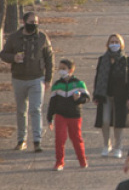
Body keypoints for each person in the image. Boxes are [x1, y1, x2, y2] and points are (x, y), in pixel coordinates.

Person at [0, 10, 53, 152]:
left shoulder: (42, 37)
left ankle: (37, 141)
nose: (34, 25)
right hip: (19, 78)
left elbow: (49, 58)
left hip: (37, 78)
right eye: (31, 22)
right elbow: (4, 54)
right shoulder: (14, 37)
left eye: (36, 23)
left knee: (35, 109)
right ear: (23, 22)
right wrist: (13, 58)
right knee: (21, 110)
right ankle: (21, 140)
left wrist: (48, 78)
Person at [93, 33, 129, 158]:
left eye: (116, 42)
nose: (114, 44)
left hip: (120, 96)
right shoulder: (103, 59)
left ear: (121, 44)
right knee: (105, 120)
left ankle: (118, 147)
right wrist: (96, 94)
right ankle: (106, 145)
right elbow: (98, 78)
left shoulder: (126, 60)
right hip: (105, 95)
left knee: (119, 123)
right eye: (111, 42)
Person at [46, 59, 89, 170]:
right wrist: (49, 117)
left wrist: (78, 99)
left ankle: (82, 160)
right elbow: (52, 102)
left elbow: (86, 98)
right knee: (60, 139)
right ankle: (59, 162)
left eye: (64, 69)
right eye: (60, 69)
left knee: (76, 138)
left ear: (71, 70)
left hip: (74, 115)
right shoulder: (57, 84)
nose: (61, 71)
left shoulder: (79, 83)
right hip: (60, 115)